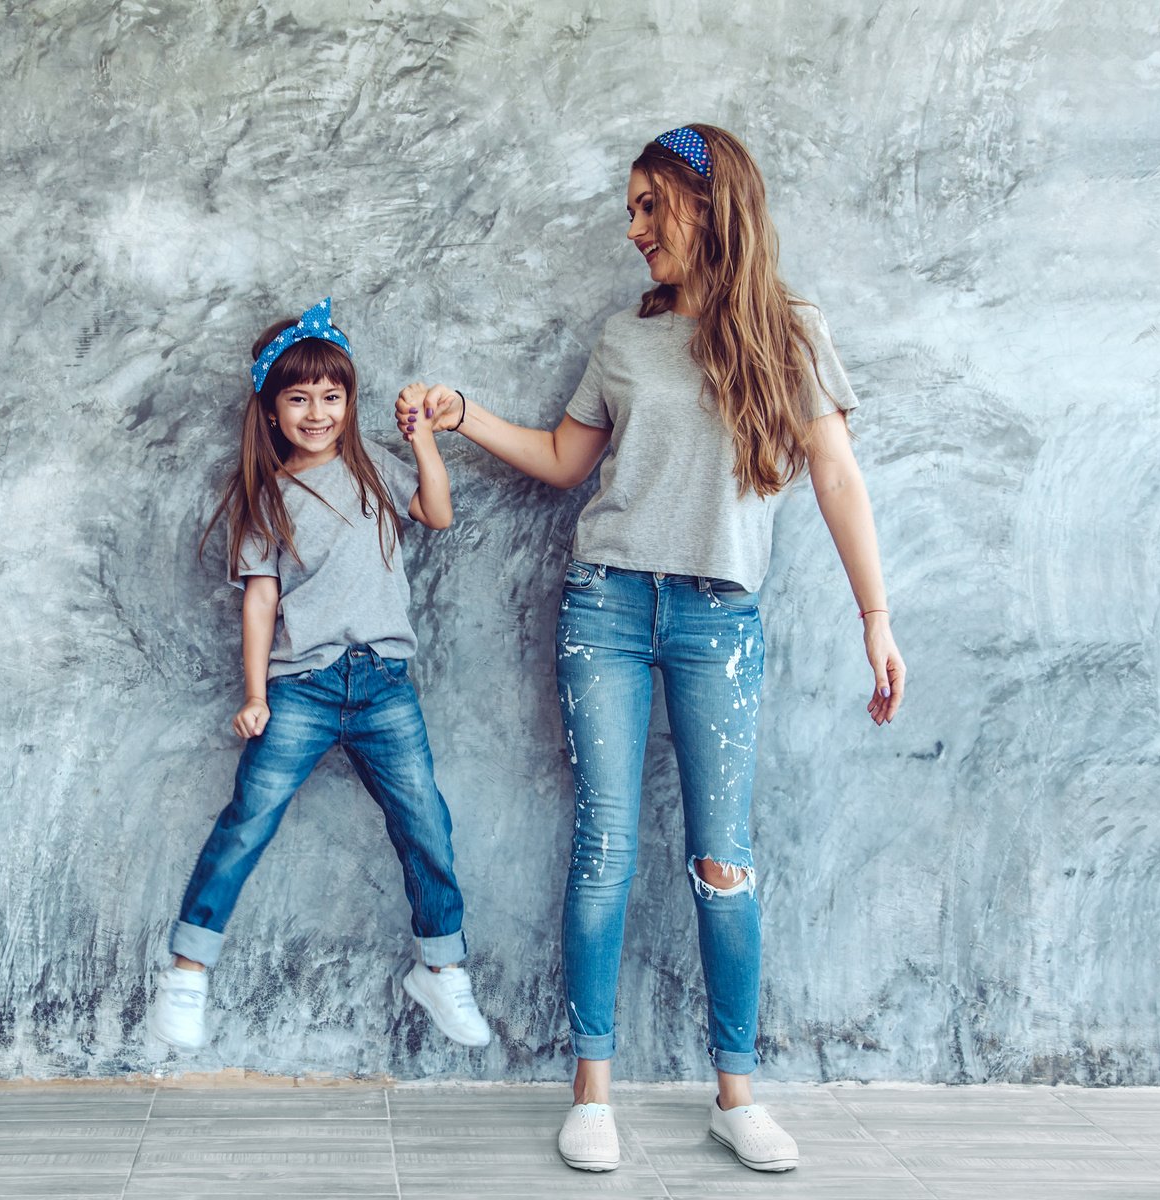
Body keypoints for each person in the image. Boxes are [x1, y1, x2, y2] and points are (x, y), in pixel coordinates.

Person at [396, 125, 907, 1173]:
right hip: (608, 611)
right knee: (606, 851)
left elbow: (839, 476)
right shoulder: (623, 342)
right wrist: (462, 415)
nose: (632, 229)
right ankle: (592, 1093)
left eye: (646, 207)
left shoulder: (791, 332)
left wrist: (876, 618)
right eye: (627, 209)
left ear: (705, 204)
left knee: (724, 864)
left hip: (721, 622)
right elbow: (560, 459)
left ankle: (736, 1093)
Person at [146, 298, 493, 1054]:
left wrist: (425, 438)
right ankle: (187, 971)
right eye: (298, 398)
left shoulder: (374, 470)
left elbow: (437, 514)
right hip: (301, 690)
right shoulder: (265, 498)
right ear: (271, 411)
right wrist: (255, 695)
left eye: (331, 396)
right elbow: (260, 602)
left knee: (426, 825)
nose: (317, 411)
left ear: (348, 401)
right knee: (247, 820)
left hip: (383, 687)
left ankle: (441, 967)